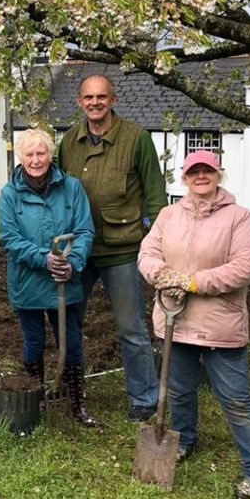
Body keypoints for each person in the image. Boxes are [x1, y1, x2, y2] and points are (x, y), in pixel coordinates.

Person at [137, 151, 250, 499]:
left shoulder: (238, 218)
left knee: (236, 400)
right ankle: (184, 440)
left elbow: (244, 267)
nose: (200, 177)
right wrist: (160, 274)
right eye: (193, 172)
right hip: (175, 321)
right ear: (184, 178)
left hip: (220, 326)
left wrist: (191, 281)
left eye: (207, 171)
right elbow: (147, 253)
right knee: (179, 390)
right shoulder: (168, 215)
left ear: (218, 175)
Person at [56, 73, 167, 421]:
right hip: (79, 251)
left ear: (113, 100)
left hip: (122, 249)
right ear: (79, 102)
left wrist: (159, 243)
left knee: (131, 327)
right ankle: (72, 392)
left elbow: (155, 196)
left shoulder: (136, 139)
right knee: (69, 323)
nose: (95, 103)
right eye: (88, 97)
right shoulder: (69, 142)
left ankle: (145, 398)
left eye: (101, 97)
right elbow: (57, 193)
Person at [0, 128, 98, 427]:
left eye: (41, 153)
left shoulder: (71, 188)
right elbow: (9, 238)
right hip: (28, 280)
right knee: (34, 341)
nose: (36, 159)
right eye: (29, 154)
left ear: (50, 155)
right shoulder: (10, 194)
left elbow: (84, 230)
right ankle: (35, 399)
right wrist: (43, 257)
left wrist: (73, 262)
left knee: (71, 341)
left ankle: (76, 402)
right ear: (21, 157)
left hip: (64, 280)